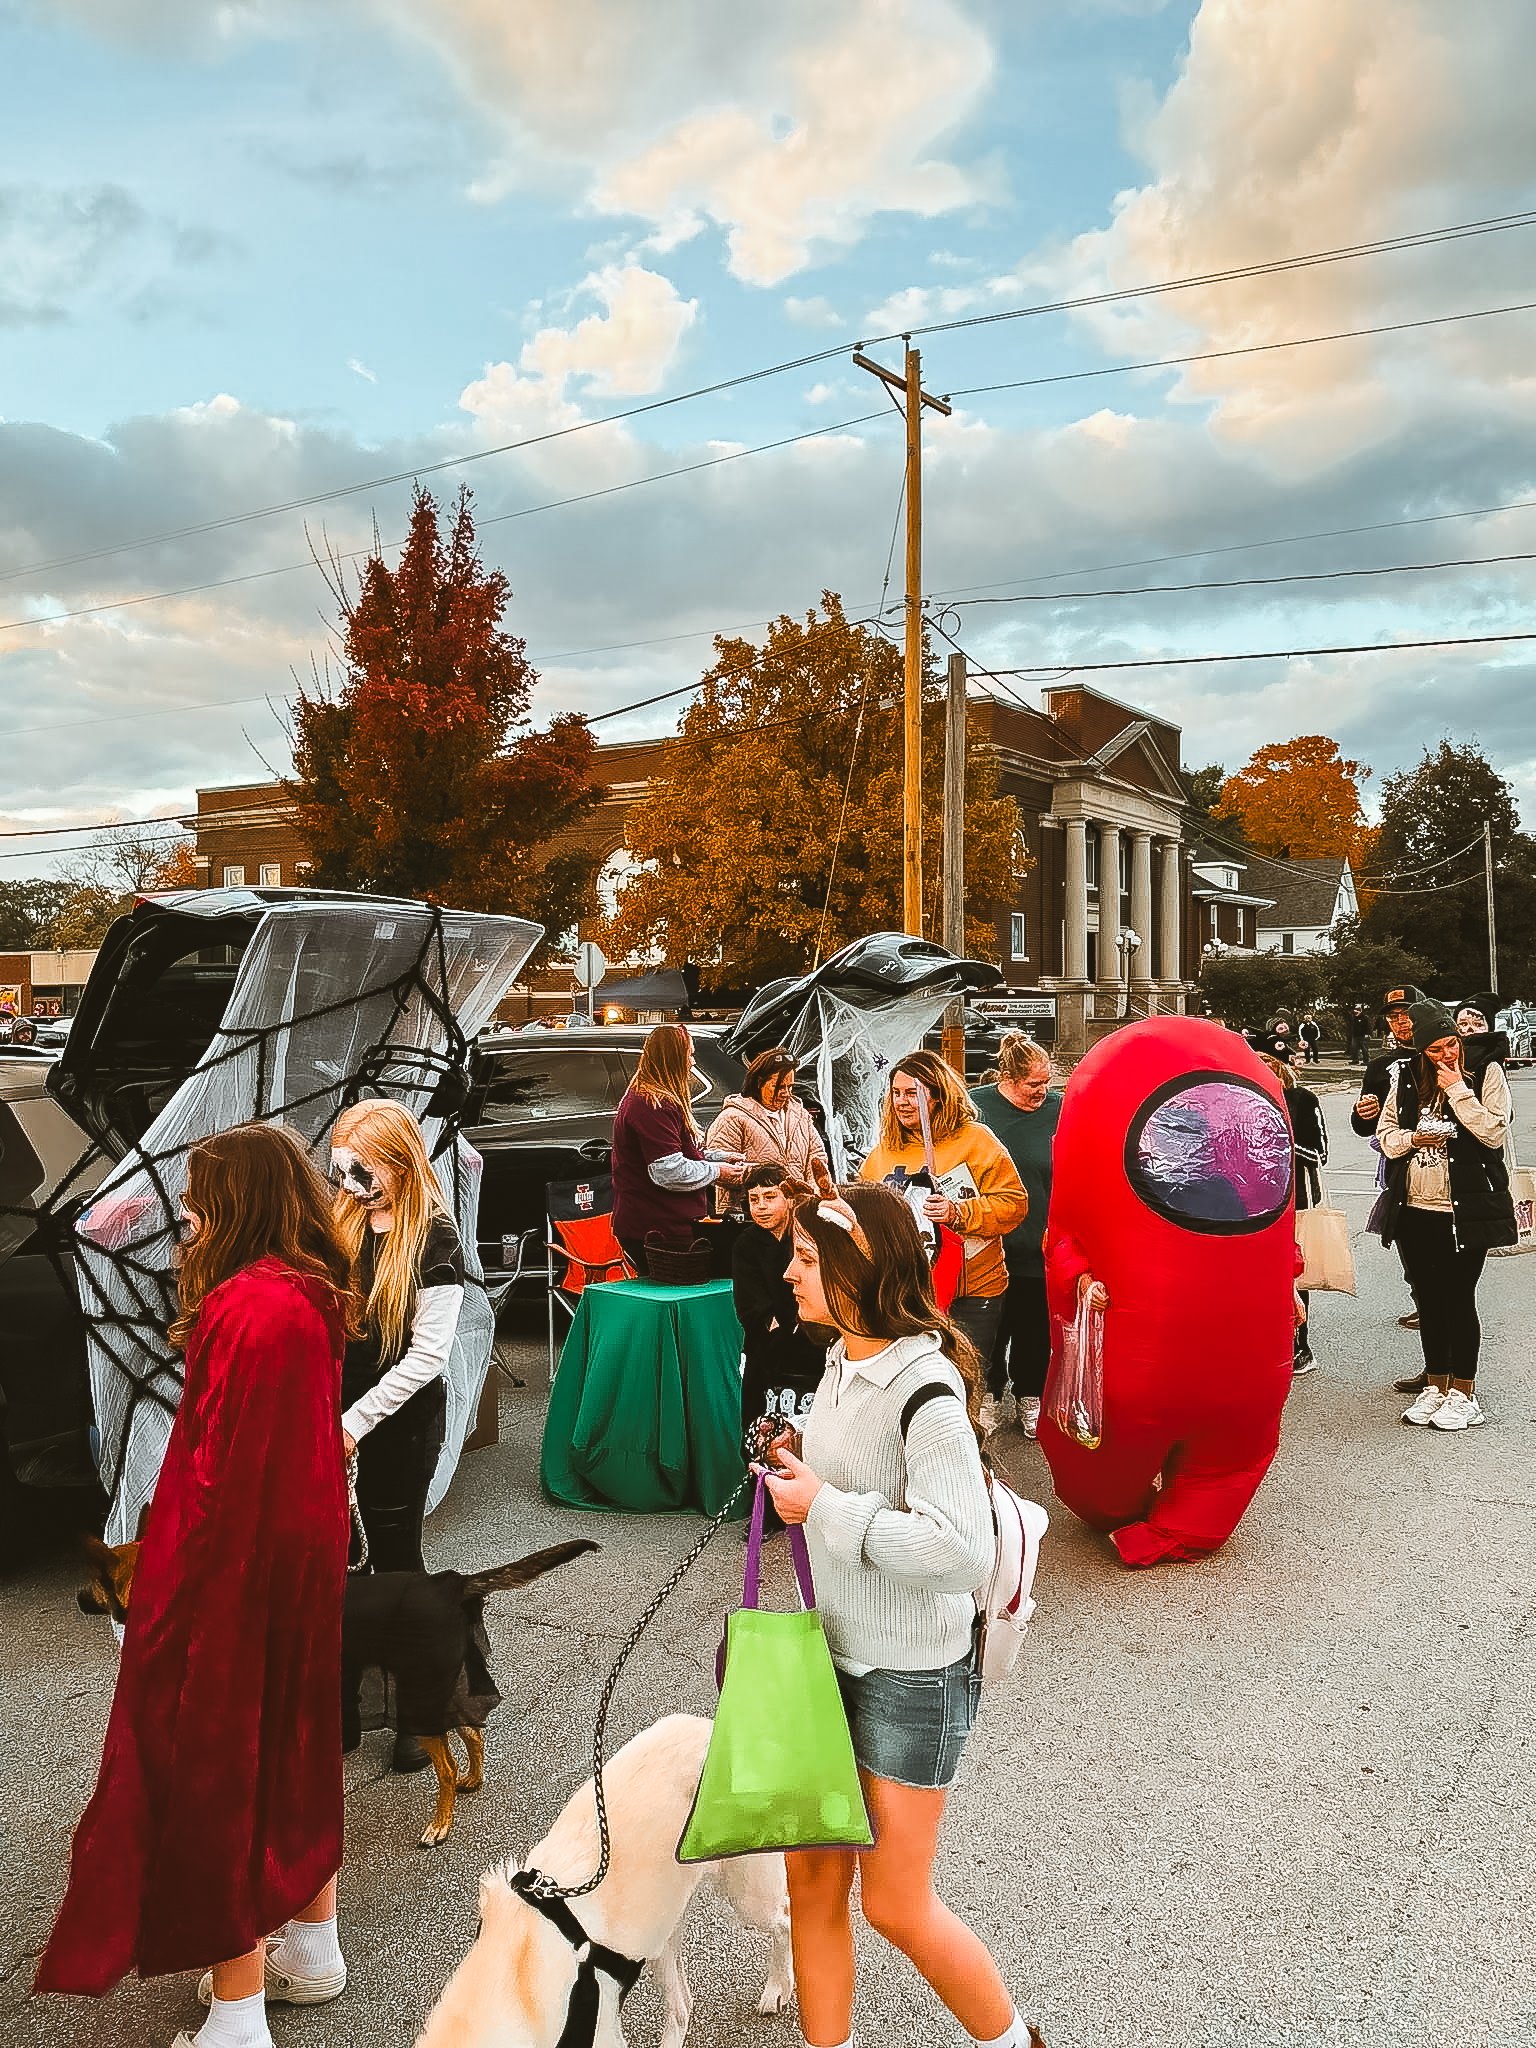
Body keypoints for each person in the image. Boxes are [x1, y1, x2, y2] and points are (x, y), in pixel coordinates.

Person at [36, 1124, 353, 2043]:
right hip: (301, 1553)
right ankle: (312, 1946)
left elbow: (212, 1473)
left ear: (242, 1201)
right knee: (295, 1740)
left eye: (204, 1194)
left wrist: (166, 1585)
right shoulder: (311, 1291)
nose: (189, 1211)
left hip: (234, 1569)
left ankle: (239, 2008)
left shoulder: (242, 1309)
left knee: (221, 1768)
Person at [764, 1182, 1037, 2048]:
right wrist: (797, 1458)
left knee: (892, 1902)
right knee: (811, 1882)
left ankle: (1014, 2040)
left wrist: (826, 1510)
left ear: (857, 1269)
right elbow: (850, 1471)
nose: (788, 1273)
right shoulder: (841, 1357)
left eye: (806, 1259)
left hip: (912, 1676)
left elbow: (962, 1552)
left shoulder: (927, 1391)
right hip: (827, 1661)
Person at [332, 1099, 464, 1610]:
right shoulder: (342, 1224)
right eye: (339, 1169)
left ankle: (420, 1677)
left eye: (361, 1170)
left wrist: (354, 1424)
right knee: (345, 1562)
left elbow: (427, 1357)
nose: (347, 1185)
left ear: (401, 1162)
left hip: (401, 1424)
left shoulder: (435, 1238)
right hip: (338, 1418)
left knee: (394, 1558)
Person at [1379, 1001, 1516, 1431]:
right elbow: (1386, 1135)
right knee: (1430, 1298)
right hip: (1415, 1205)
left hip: (1463, 1207)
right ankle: (1435, 1385)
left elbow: (1494, 1130)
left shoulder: (1486, 1072)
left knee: (1458, 1299)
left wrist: (1457, 1089)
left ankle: (1464, 1393)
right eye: (1435, 1049)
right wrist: (1411, 1139)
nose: (1447, 1054)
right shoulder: (1403, 1077)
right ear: (1420, 1050)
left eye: (1451, 1044)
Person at [858, 1049, 1028, 1373]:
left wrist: (958, 1212)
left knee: (965, 1378)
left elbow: (1014, 1205)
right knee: (919, 1380)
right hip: (909, 1292)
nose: (902, 1102)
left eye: (912, 1093)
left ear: (937, 1095)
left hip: (973, 1291)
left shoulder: (977, 1142)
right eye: (896, 1093)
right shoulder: (883, 1153)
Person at [970, 1033, 1061, 1437]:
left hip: (1041, 1242)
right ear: (1007, 1077)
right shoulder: (977, 1106)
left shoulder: (1061, 1110)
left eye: (1046, 1083)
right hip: (989, 1241)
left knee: (1034, 1328)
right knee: (990, 1327)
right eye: (1033, 1084)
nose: (1042, 1091)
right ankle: (986, 1394)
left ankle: (1030, 1395)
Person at [610, 1021, 748, 1271]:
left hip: (669, 1225)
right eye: (689, 1055)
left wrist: (720, 1159)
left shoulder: (657, 1099)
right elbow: (667, 1169)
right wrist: (718, 1172)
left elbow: (685, 1152)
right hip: (658, 1229)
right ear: (674, 1058)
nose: (693, 1063)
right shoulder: (652, 1104)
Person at [1352, 985, 1426, 1362]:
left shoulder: (1440, 1053)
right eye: (1394, 1016)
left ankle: (1440, 1302)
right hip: (1397, 1161)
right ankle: (1422, 1297)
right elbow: (1363, 1124)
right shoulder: (1381, 1065)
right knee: (1404, 1231)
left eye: (1407, 1014)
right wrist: (1362, 1113)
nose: (1401, 1022)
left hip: (1438, 1159)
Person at [731, 1163, 826, 1453]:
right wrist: (786, 1324)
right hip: (767, 1351)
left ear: (789, 1198)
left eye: (770, 1197)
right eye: (754, 1199)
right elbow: (754, 1308)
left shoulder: (806, 1237)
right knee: (761, 1436)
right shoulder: (745, 1245)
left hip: (814, 1348)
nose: (760, 1207)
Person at [1259, 1053, 1327, 1375]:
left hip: (1297, 1197)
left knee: (1294, 1273)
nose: (1264, 1067)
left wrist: (1282, 1143)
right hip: (1255, 1201)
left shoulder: (1303, 1099)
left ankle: (1300, 1345)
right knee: (1261, 1273)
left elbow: (1321, 1152)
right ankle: (1266, 1342)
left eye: (1269, 1061)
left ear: (1283, 1065)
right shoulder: (1245, 1096)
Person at [707, 1047, 833, 1208]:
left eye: (790, 1087)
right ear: (759, 1082)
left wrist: (812, 1194)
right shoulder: (732, 1118)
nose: (786, 1093)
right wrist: (770, 1178)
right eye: (778, 1087)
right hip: (751, 1213)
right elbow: (721, 1171)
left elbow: (817, 1158)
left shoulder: (800, 1115)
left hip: (796, 1211)